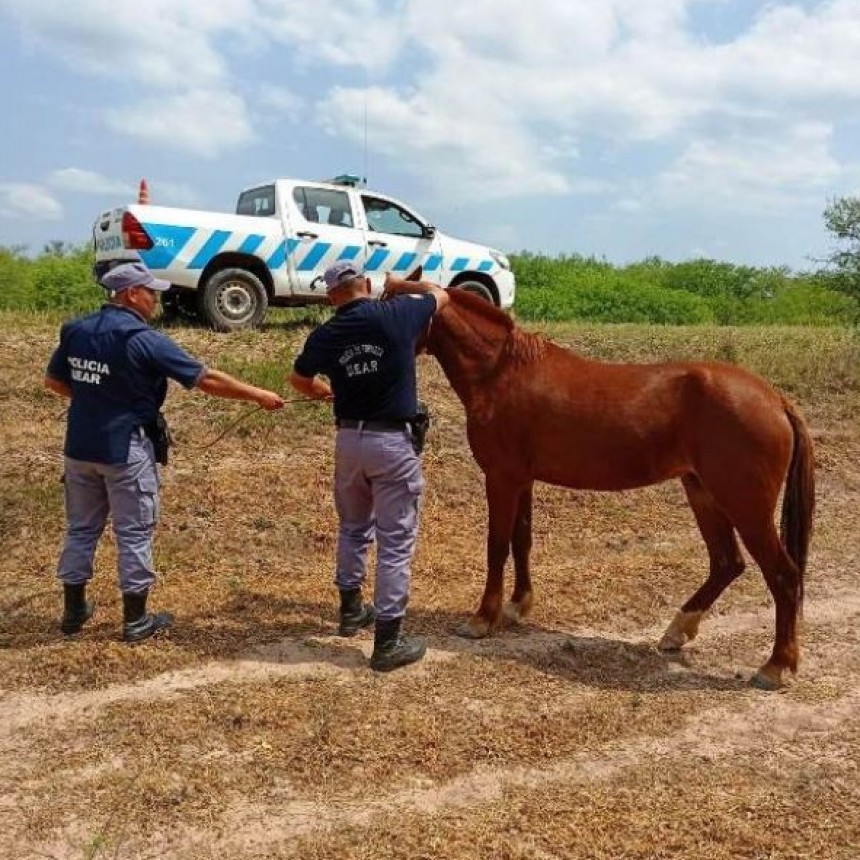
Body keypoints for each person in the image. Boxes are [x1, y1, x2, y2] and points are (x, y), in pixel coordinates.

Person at [44, 261, 285, 643]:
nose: (156, 298)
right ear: (129, 294)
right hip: (125, 449)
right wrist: (259, 394)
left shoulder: (76, 330)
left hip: (79, 448)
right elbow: (205, 379)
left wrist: (97, 401)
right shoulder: (144, 339)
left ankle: (73, 613)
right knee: (134, 532)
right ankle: (136, 620)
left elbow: (54, 381)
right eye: (150, 291)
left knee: (81, 529)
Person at [289, 261, 449, 672]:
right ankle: (388, 642)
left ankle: (351, 610)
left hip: (349, 441)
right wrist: (401, 284)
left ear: (331, 295)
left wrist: (325, 391)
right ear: (364, 283)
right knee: (395, 542)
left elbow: (299, 380)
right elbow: (441, 294)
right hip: (392, 443)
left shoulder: (326, 334)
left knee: (353, 527)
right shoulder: (398, 313)